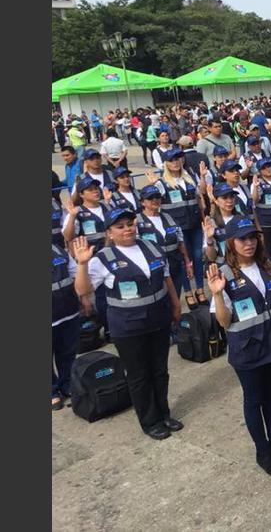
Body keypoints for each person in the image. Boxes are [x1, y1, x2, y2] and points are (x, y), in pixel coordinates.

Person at [73, 209, 184, 440]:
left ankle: (163, 413)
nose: (127, 229)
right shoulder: (103, 258)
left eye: (130, 224)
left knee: (160, 370)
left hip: (158, 320)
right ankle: (150, 421)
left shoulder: (151, 247)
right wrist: (82, 264)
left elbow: (166, 278)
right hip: (128, 328)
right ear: (109, 233)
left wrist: (175, 304)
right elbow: (83, 290)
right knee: (139, 375)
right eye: (120, 226)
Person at [206, 217, 271, 477]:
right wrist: (217, 294)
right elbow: (224, 321)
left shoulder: (267, 265)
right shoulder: (224, 275)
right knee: (254, 398)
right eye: (242, 239)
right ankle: (263, 451)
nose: (249, 243)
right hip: (246, 350)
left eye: (252, 237)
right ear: (231, 243)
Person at [150, 147, 207, 305]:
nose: (175, 163)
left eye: (178, 159)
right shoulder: (162, 183)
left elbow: (201, 193)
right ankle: (188, 292)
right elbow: (154, 203)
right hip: (177, 228)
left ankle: (200, 289)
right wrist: (153, 186)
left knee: (197, 257)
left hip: (194, 224)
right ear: (166, 164)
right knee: (183, 260)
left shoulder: (190, 177)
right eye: (172, 160)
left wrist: (202, 176)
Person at [136, 184, 193, 313]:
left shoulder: (168, 217)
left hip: (174, 265)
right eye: (150, 198)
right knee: (160, 304)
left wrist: (187, 263)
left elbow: (180, 242)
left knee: (175, 299)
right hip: (154, 270)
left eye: (157, 197)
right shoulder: (137, 222)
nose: (155, 200)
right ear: (142, 202)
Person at [51, 240, 90, 410]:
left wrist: (84, 297)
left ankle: (67, 384)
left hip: (68, 311)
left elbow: (75, 273)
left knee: (67, 352)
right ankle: (52, 391)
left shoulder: (57, 249)